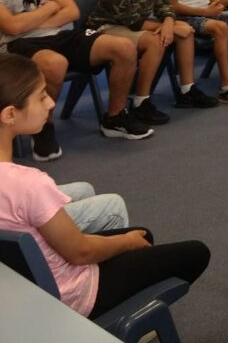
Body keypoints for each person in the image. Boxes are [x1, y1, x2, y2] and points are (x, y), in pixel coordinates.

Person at [0, 52, 210, 318]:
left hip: (22, 288)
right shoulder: (27, 184)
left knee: (141, 234)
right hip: (69, 296)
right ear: (9, 114)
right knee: (194, 252)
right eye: (42, 96)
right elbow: (80, 252)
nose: (51, 102)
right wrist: (125, 242)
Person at [0, 0, 150, 152]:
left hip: (58, 36)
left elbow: (71, 11)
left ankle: (114, 117)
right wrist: (49, 7)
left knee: (123, 47)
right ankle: (43, 128)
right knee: (55, 63)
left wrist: (34, 17)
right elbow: (12, 28)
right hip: (17, 44)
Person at [87, 0, 217, 124]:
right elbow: (132, 22)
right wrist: (168, 28)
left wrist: (169, 24)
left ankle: (187, 91)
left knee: (185, 32)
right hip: (108, 27)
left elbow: (165, 7)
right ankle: (141, 102)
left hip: (134, 24)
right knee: (155, 41)